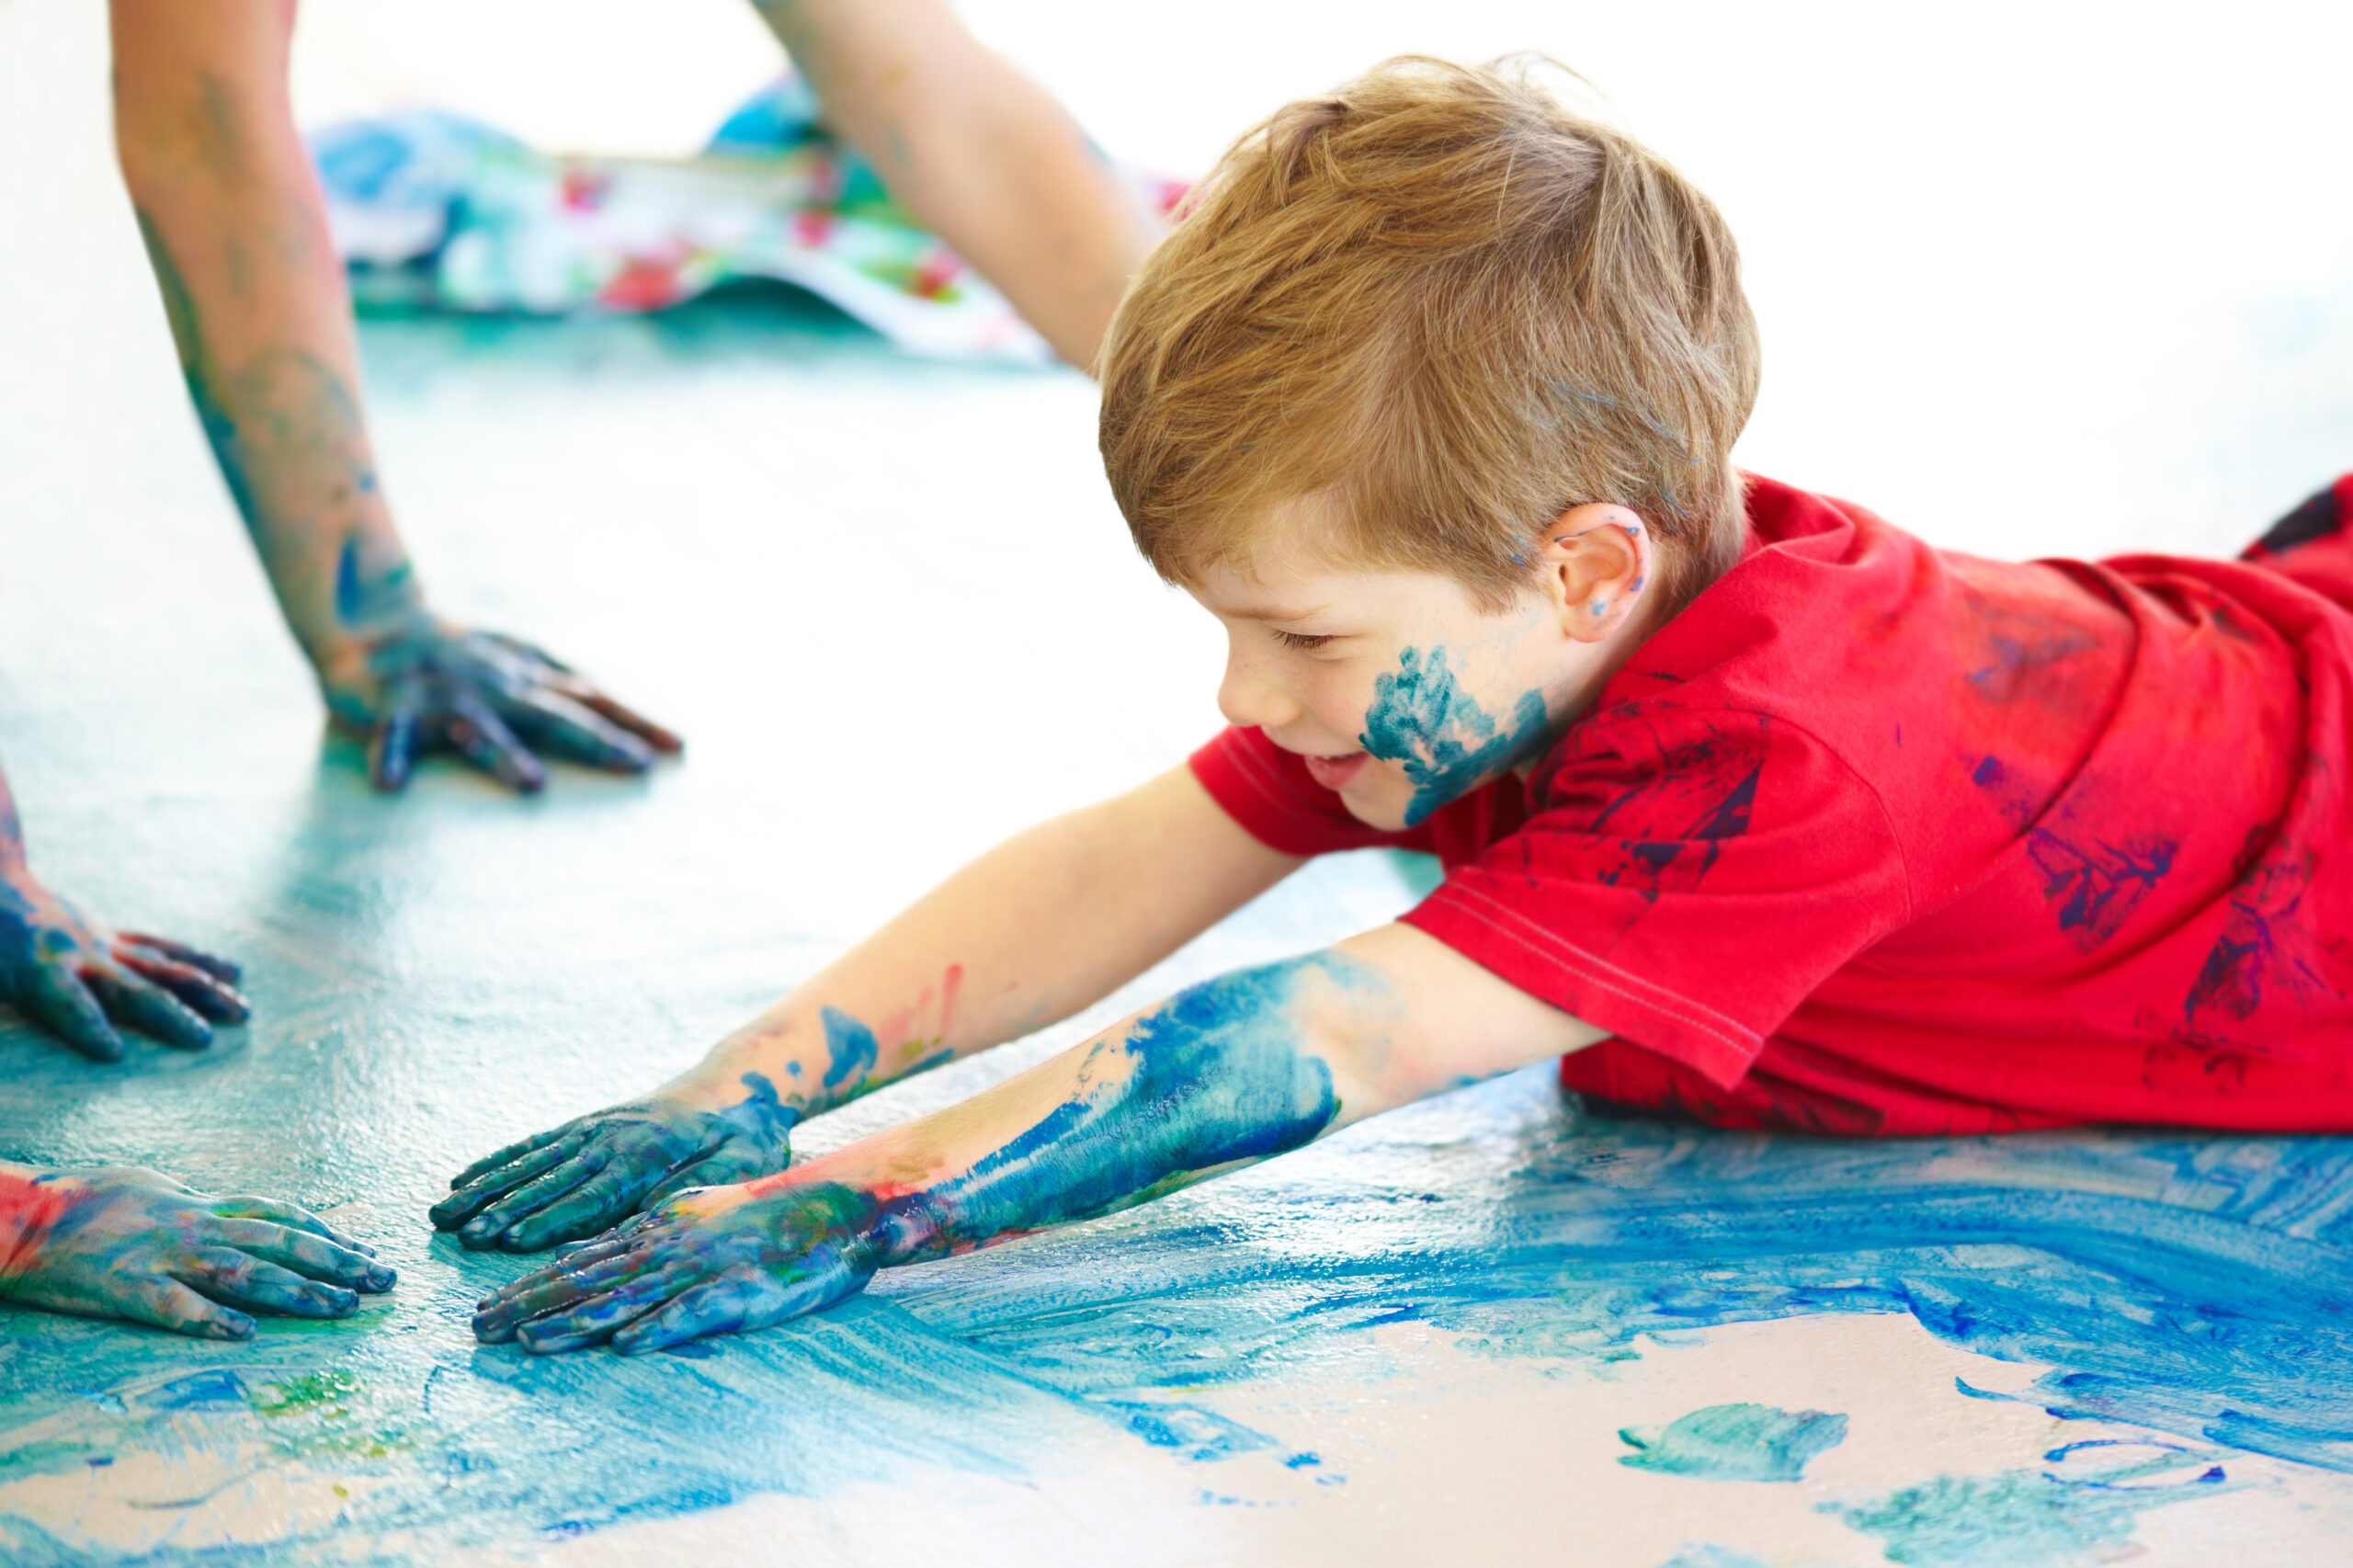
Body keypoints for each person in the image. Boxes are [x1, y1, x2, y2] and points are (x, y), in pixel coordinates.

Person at [447, 54, 2353, 1358]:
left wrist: (851, 1208)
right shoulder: (1518, 636)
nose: (1242, 694)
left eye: (1302, 639)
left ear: (1587, 566)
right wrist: (747, 1085)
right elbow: (1134, 857)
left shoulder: (1777, 768)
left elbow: (1326, 1034)